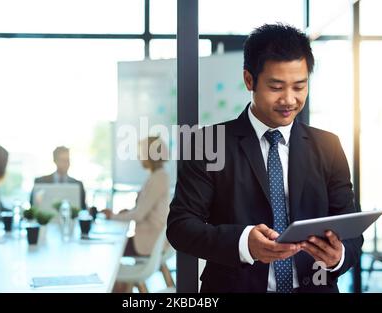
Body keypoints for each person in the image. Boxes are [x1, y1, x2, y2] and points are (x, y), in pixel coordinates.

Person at [167, 23, 363, 293]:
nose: (289, 99)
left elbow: (351, 229)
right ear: (249, 80)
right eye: (276, 87)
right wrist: (244, 242)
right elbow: (181, 227)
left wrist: (337, 256)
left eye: (299, 86)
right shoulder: (207, 143)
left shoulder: (328, 146)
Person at [103, 136, 170, 257]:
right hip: (148, 238)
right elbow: (144, 210)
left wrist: (113, 216)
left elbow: (139, 215)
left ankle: (117, 277)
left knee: (109, 250)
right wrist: (126, 213)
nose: (139, 157)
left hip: (148, 242)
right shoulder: (156, 176)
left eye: (141, 153)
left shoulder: (159, 178)